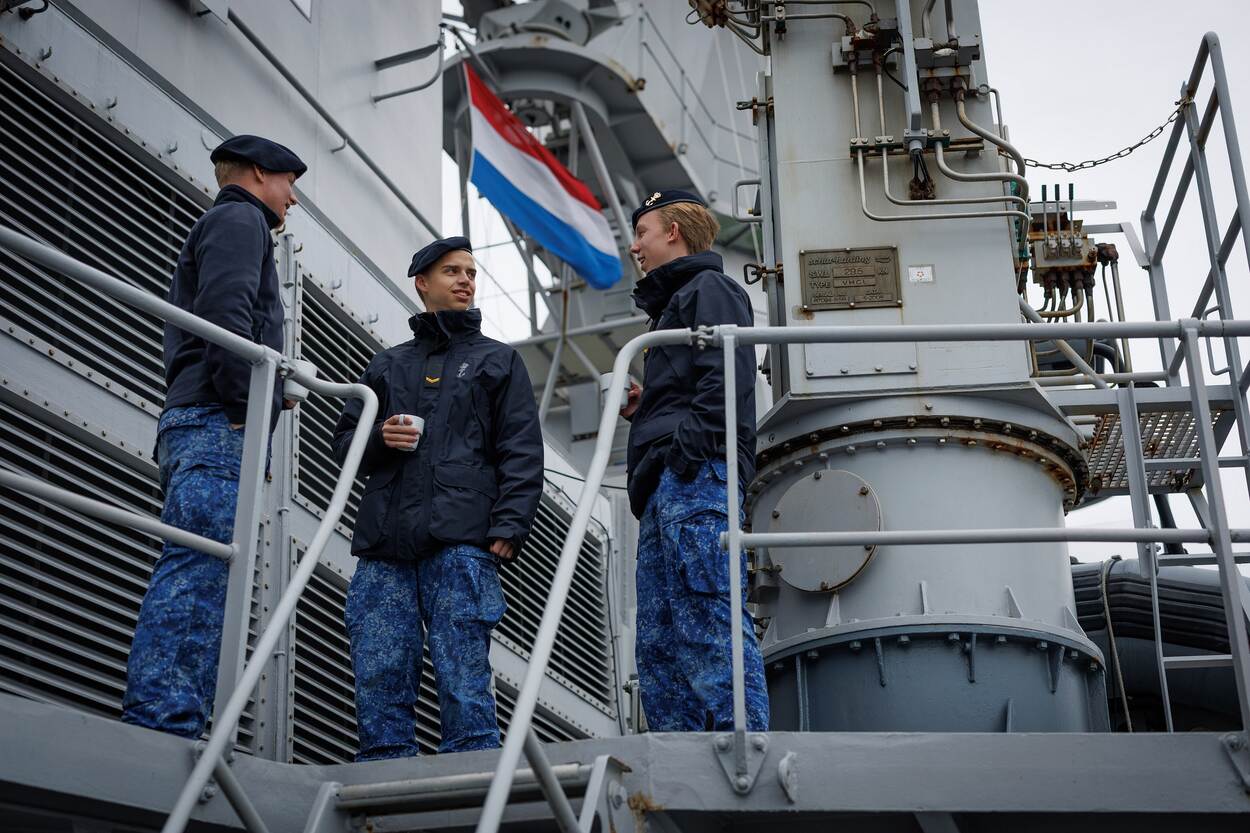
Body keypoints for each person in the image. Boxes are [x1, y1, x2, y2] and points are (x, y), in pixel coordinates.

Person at [331, 236, 544, 759]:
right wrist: (380, 437)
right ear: (422, 283)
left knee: (462, 661)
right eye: (453, 271)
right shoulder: (387, 365)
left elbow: (521, 451)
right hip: (385, 542)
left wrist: (510, 525)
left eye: (471, 273)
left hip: (462, 540)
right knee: (379, 660)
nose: (466, 280)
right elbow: (345, 445)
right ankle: (383, 764)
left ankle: (473, 763)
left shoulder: (499, 361)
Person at [123, 135, 306, 737]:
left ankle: (172, 714)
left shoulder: (233, 221)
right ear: (258, 174)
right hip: (216, 419)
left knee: (202, 567)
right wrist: (244, 411)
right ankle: (166, 721)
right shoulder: (239, 218)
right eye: (288, 183)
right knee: (199, 570)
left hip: (202, 419)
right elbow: (227, 318)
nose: (293, 199)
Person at [621, 190, 770, 732]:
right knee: (660, 638)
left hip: (695, 475)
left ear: (673, 233)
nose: (635, 247)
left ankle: (741, 745)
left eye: (642, 233)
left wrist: (683, 451)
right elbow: (696, 386)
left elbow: (724, 381)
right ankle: (681, 753)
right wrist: (650, 412)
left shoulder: (710, 289)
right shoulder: (679, 303)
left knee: (708, 616)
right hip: (669, 481)